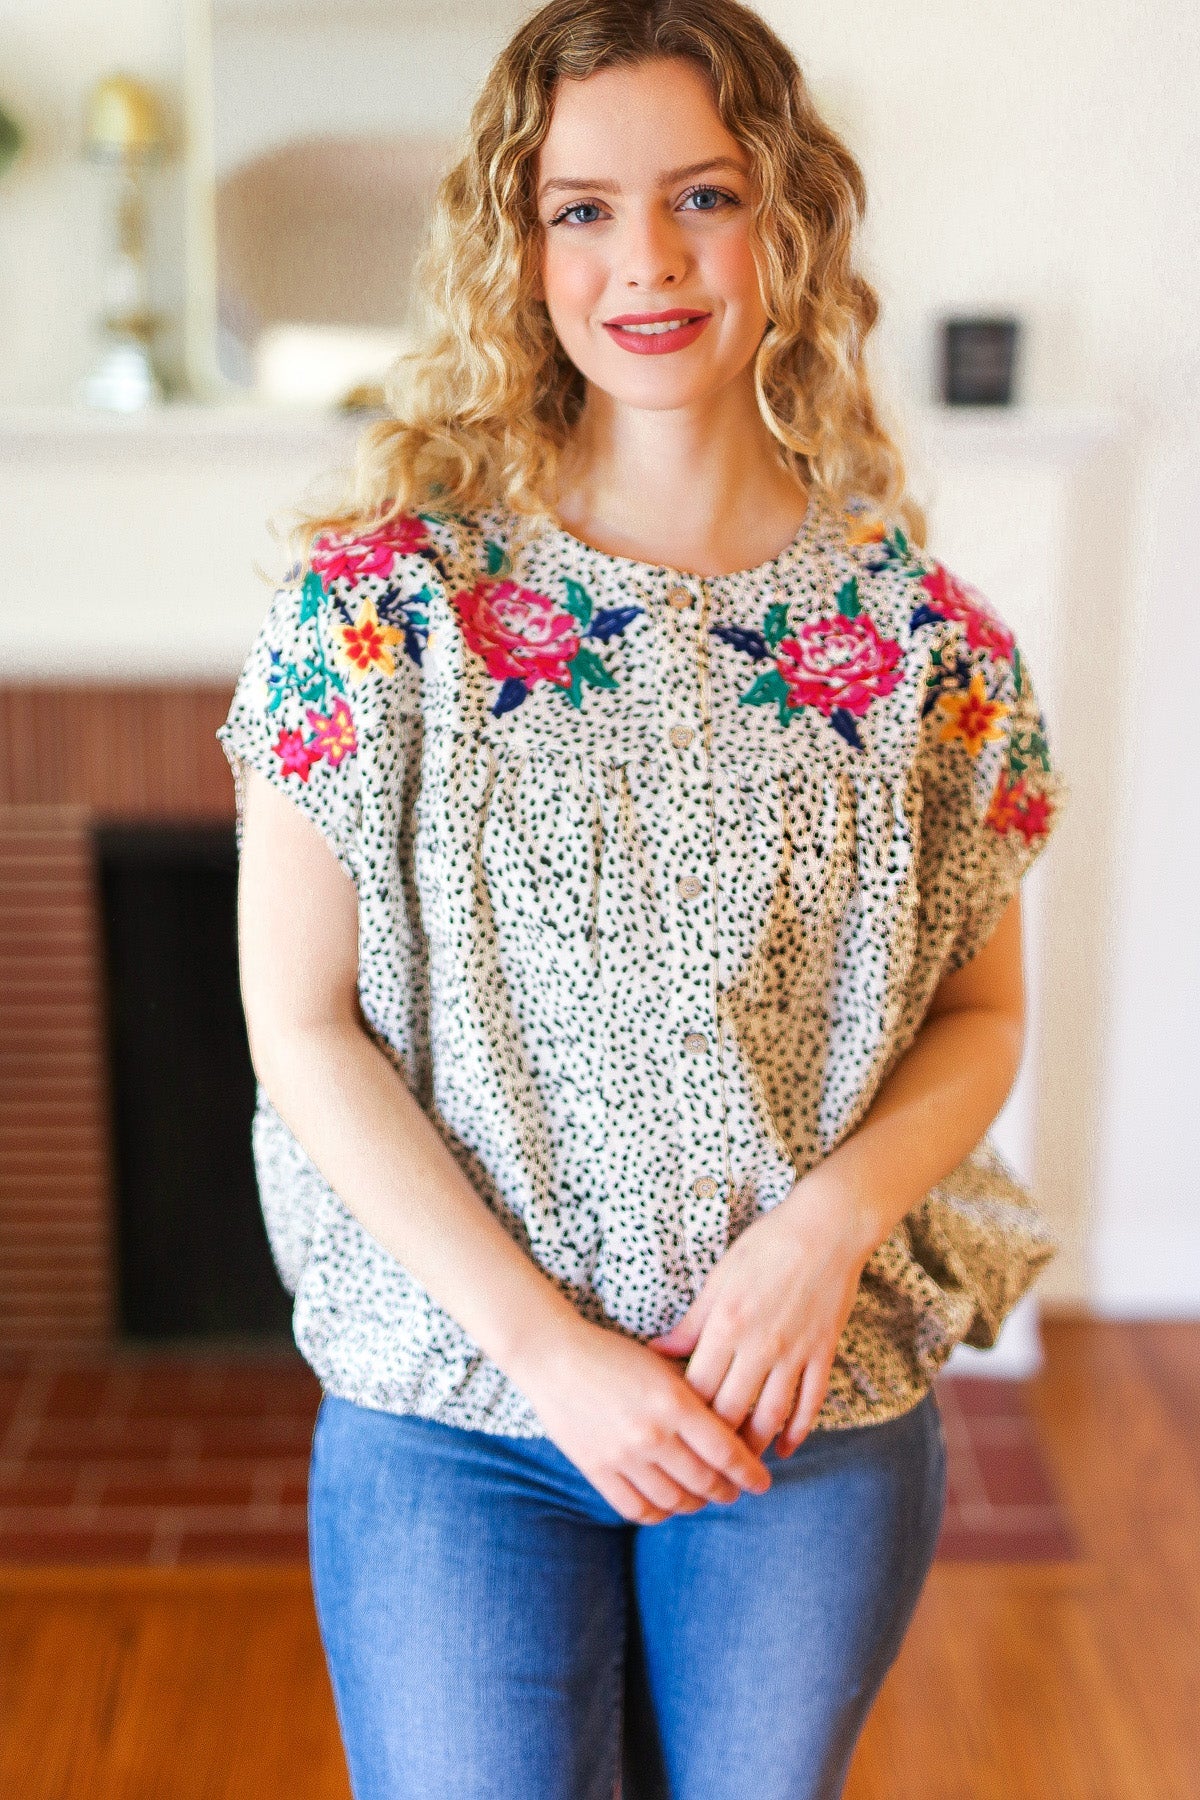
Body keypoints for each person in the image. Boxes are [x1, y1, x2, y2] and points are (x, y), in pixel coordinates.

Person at [216, 2, 1068, 1795]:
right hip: (456, 1407)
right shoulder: (379, 613)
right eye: (580, 208)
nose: (648, 261)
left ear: (792, 220)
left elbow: (983, 1023)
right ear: (514, 250)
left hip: (798, 1410)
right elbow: (297, 1024)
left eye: (703, 195)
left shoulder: (925, 646)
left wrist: (825, 1227)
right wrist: (549, 1353)